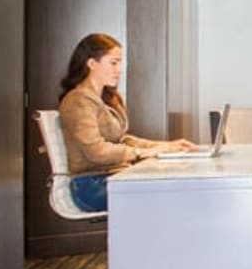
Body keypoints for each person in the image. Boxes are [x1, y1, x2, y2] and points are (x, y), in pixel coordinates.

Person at [58, 33, 196, 212]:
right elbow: (96, 152)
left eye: (120, 63)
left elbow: (122, 139)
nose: (119, 69)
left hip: (112, 176)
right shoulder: (78, 100)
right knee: (170, 192)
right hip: (91, 185)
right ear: (91, 63)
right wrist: (141, 153)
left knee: (177, 182)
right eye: (113, 62)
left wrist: (166, 147)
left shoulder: (105, 98)